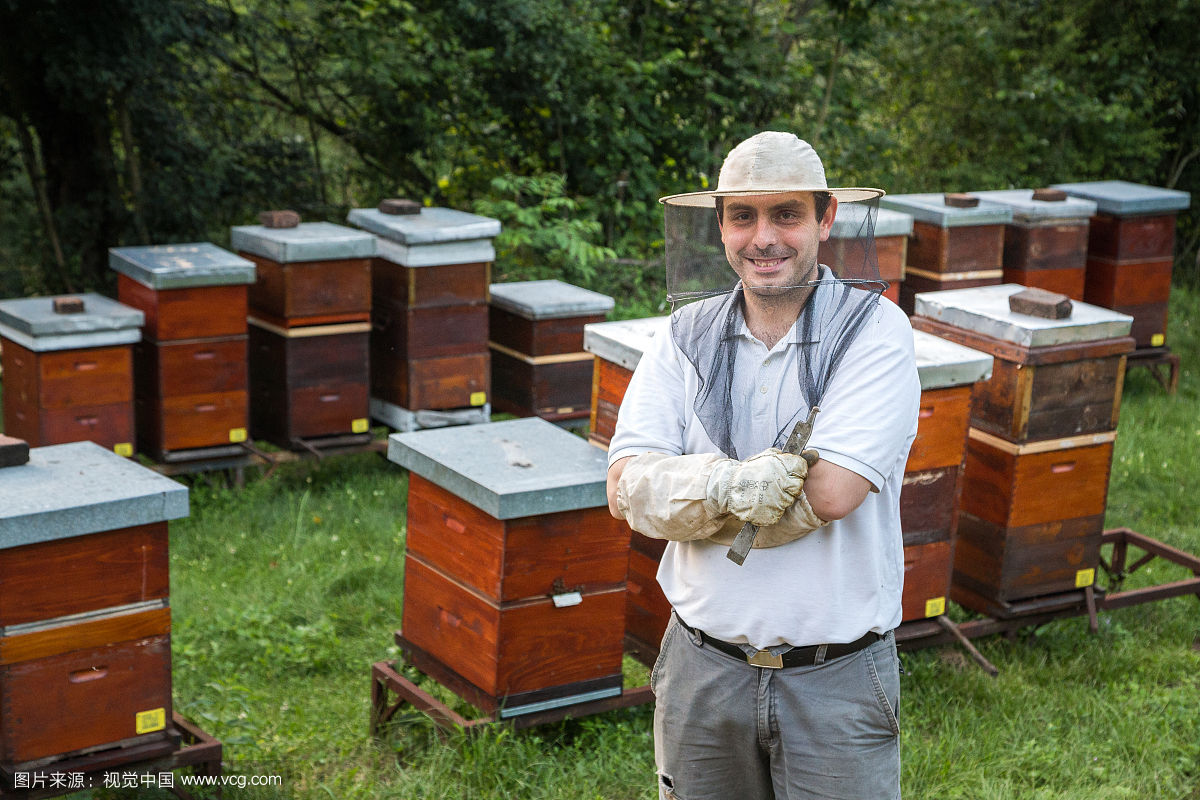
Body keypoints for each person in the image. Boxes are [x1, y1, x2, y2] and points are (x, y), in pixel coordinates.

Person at [606, 131, 920, 800]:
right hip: (700, 667)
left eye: (786, 214)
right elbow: (623, 485)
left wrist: (681, 496)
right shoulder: (681, 338)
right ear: (719, 225)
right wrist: (730, 484)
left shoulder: (876, 333)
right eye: (743, 216)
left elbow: (833, 492)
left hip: (835, 678)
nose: (764, 237)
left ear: (826, 217)